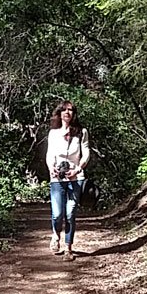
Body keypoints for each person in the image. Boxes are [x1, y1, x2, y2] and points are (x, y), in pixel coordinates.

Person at [45, 100, 90, 260]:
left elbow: (86, 153)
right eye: (64, 110)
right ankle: (56, 234)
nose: (67, 112)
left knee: (70, 213)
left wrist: (77, 169)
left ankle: (68, 248)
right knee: (57, 214)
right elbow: (50, 154)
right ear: (59, 113)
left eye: (70, 110)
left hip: (76, 178)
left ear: (73, 113)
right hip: (57, 178)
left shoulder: (81, 132)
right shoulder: (53, 133)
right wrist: (51, 168)